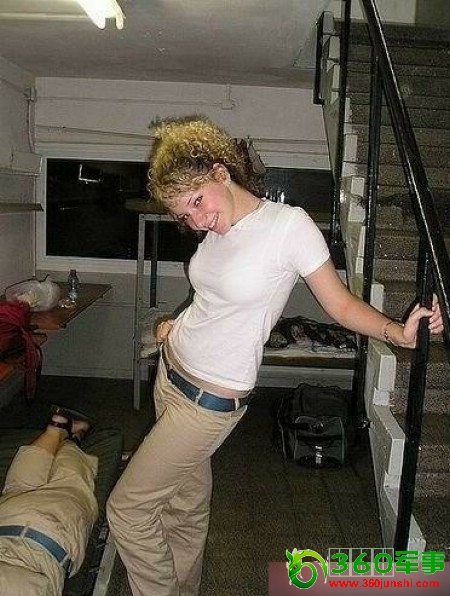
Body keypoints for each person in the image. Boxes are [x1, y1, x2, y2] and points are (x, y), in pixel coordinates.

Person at [106, 116, 443, 596]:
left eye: (197, 202)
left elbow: (341, 305)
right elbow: (213, 299)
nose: (196, 221)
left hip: (207, 403)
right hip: (171, 372)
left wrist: (398, 333)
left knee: (128, 510)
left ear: (221, 172)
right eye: (184, 215)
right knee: (185, 507)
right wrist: (173, 327)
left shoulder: (288, 227)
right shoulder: (217, 228)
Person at [0, 405, 98, 596]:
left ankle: (70, 438)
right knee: (19, 488)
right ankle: (57, 430)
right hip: (8, 518)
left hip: (48, 534)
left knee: (72, 486)